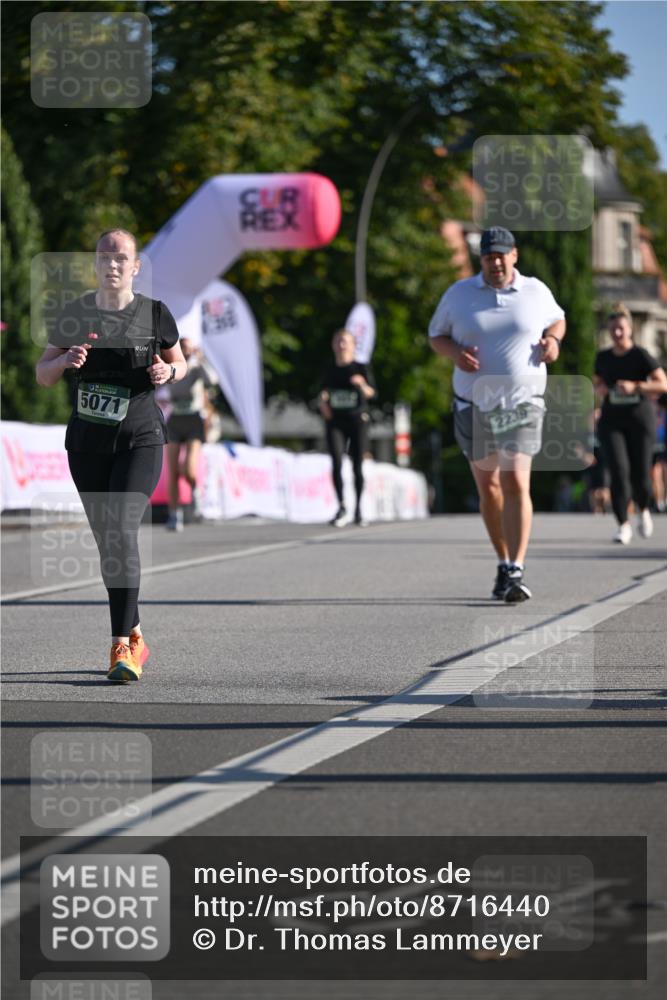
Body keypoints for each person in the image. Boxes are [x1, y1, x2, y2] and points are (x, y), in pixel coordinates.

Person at [35, 229, 187, 682]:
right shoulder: (77, 312)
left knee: (120, 528)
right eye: (104, 256)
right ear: (96, 264)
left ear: (135, 267)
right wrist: (63, 362)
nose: (112, 263)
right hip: (88, 442)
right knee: (109, 543)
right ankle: (135, 630)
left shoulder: (155, 314)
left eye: (121, 257)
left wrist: (168, 371)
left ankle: (121, 647)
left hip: (141, 438)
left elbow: (180, 363)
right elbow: (43, 373)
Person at [429, 226, 566, 602]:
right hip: (473, 405)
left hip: (522, 404)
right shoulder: (459, 294)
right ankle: (503, 561)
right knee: (488, 487)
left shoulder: (535, 291)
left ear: (514, 255)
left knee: (515, 480)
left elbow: (557, 318)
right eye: (489, 257)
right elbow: (436, 335)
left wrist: (553, 340)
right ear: (482, 259)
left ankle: (516, 568)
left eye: (501, 256)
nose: (496, 263)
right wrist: (455, 353)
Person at [593, 303, 667, 544]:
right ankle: (623, 524)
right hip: (612, 420)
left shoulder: (641, 355)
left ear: (630, 329)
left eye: (621, 328)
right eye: (613, 329)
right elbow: (597, 383)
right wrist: (600, 389)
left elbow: (662, 384)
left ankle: (643, 509)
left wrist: (635, 386)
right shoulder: (603, 357)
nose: (617, 333)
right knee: (618, 470)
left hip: (639, 420)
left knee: (641, 472)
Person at [319, 329, 376, 527]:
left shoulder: (360, 367)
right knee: (336, 461)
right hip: (335, 421)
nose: (342, 345)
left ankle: (359, 510)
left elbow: (372, 393)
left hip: (357, 421)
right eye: (338, 341)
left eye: (345, 341)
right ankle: (342, 506)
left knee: (357, 464)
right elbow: (322, 392)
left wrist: (362, 385)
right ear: (333, 345)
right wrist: (323, 403)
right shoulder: (329, 369)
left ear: (353, 345)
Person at [164, 337, 217, 531]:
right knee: (173, 471)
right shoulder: (172, 366)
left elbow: (212, 380)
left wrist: (200, 359)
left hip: (193, 420)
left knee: (190, 469)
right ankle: (174, 515)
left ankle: (195, 492)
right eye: (182, 348)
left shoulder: (195, 369)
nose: (185, 351)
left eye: (187, 348)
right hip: (175, 420)